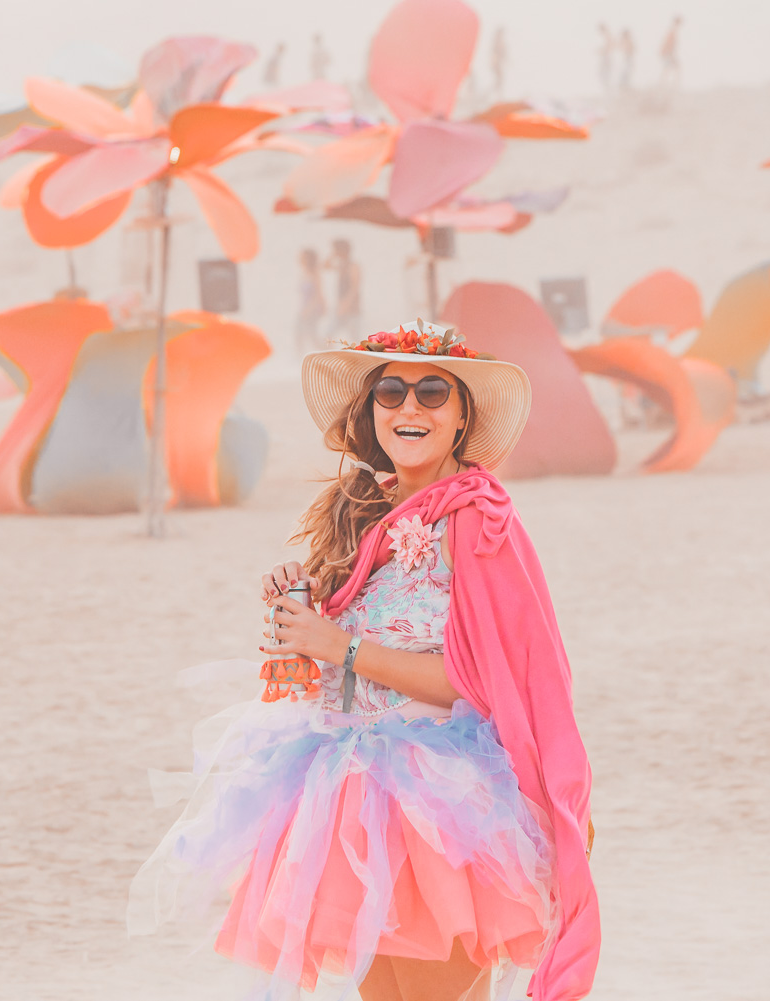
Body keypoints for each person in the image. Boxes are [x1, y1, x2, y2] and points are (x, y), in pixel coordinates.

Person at [130, 322, 601, 1001]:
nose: (410, 408)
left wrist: (340, 646)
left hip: (440, 799)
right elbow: (342, 670)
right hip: (352, 792)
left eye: (433, 391)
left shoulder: (477, 520)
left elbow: (476, 681)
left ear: (463, 414)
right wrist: (307, 618)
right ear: (370, 410)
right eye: (392, 392)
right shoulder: (360, 511)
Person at [326, 238, 362, 341]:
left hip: (352, 310)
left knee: (355, 339)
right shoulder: (342, 265)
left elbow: (354, 288)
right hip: (341, 307)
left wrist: (345, 305)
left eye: (336, 250)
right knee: (328, 335)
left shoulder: (353, 266)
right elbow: (325, 265)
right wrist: (333, 255)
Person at [295, 247, 326, 353]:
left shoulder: (314, 273)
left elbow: (318, 294)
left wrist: (309, 310)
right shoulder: (304, 273)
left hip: (312, 310)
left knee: (311, 336)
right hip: (304, 308)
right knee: (300, 334)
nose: (300, 259)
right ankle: (299, 357)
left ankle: (328, 352)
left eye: (302, 257)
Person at [660, 16, 683, 91]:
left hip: (668, 53)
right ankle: (672, 85)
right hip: (668, 53)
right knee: (673, 68)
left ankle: (665, 84)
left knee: (668, 68)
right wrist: (671, 54)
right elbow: (669, 44)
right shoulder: (672, 31)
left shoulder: (673, 31)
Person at [597, 23, 615, 93]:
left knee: (603, 74)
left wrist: (603, 51)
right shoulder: (606, 35)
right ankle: (606, 89)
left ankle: (607, 89)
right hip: (606, 57)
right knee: (602, 74)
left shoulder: (607, 35)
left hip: (607, 58)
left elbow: (610, 46)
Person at [491, 26, 508, 99]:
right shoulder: (497, 42)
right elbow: (495, 53)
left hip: (499, 64)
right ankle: (498, 96)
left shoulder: (500, 42)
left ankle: (499, 95)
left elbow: (504, 54)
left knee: (499, 81)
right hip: (497, 64)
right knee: (499, 81)